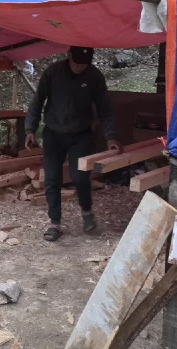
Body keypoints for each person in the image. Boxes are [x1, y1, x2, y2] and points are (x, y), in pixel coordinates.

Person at [25, 46, 123, 241]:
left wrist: (111, 137)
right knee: (52, 179)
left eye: (84, 65)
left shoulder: (94, 76)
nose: (80, 68)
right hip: (53, 133)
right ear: (68, 56)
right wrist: (30, 130)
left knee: (79, 177)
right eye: (76, 64)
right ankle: (54, 223)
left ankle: (87, 212)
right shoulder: (53, 72)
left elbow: (105, 109)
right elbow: (37, 102)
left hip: (81, 134)